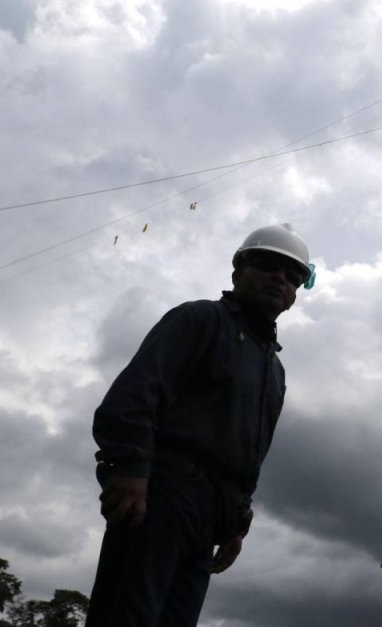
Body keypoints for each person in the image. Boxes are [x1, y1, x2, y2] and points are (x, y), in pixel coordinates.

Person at [86, 224, 315, 627]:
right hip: (162, 492)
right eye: (268, 265)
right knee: (128, 614)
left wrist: (237, 522)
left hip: (212, 515)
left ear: (297, 291)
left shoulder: (273, 370)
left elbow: (250, 454)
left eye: (293, 274)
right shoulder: (200, 320)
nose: (281, 278)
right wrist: (131, 471)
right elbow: (134, 397)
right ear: (238, 272)